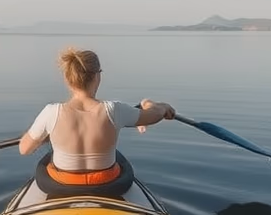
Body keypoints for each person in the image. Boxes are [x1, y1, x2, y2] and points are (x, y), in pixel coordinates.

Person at [19, 47, 176, 185]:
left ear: (67, 79)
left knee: (47, 160)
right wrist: (156, 105)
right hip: (106, 184)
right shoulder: (114, 110)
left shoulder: (51, 113)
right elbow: (154, 115)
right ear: (97, 77)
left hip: (63, 185)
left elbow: (24, 149)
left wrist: (44, 135)